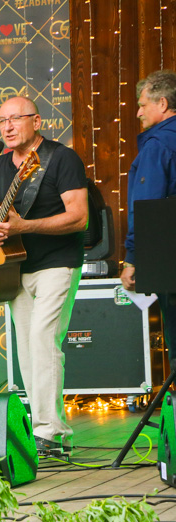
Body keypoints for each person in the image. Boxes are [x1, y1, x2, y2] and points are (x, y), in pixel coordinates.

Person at [0, 96, 88, 456]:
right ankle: (45, 428)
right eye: (2, 121)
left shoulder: (61, 159)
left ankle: (51, 432)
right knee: (28, 348)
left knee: (45, 339)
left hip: (57, 262)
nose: (8, 127)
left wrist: (24, 225)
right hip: (13, 269)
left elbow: (79, 217)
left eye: (16, 119)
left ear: (37, 121)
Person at [121, 70, 176, 373]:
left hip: (169, 260)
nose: (139, 112)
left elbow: (146, 207)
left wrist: (132, 259)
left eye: (143, 105)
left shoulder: (158, 145)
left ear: (163, 104)